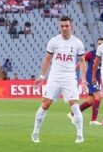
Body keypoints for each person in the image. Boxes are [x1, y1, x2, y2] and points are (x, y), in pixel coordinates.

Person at [32, 16, 87, 145]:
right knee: (45, 104)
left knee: (75, 106)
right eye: (62, 26)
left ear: (71, 26)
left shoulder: (78, 43)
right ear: (59, 27)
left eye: (67, 26)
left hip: (69, 77)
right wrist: (42, 76)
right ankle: (35, 132)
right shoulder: (54, 41)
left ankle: (80, 136)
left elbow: (82, 61)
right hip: (54, 76)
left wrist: (83, 79)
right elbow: (47, 59)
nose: (64, 28)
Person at [73, 37, 103, 126]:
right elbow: (82, 61)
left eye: (102, 44)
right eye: (99, 44)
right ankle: (93, 120)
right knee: (98, 96)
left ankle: (73, 114)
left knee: (91, 101)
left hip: (98, 78)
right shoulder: (91, 54)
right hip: (90, 77)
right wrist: (74, 70)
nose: (100, 45)